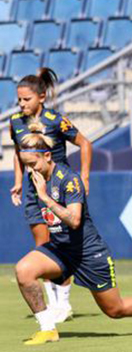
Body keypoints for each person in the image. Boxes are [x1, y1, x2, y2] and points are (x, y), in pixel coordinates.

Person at [14, 132, 132, 345]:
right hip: (60, 250)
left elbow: (74, 220)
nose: (30, 170)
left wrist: (45, 198)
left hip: (88, 253)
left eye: (33, 164)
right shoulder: (38, 179)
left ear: (47, 156)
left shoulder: (69, 180)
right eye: (26, 165)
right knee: (24, 270)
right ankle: (47, 329)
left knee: (115, 310)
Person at [9, 68, 93, 324]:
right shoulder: (15, 122)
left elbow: (85, 143)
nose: (22, 104)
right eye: (19, 100)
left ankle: (63, 303)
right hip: (35, 192)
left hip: (59, 191)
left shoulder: (56, 120)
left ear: (42, 97)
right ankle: (53, 304)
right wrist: (18, 183)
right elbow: (17, 153)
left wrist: (85, 177)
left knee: (60, 244)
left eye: (27, 99)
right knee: (42, 248)